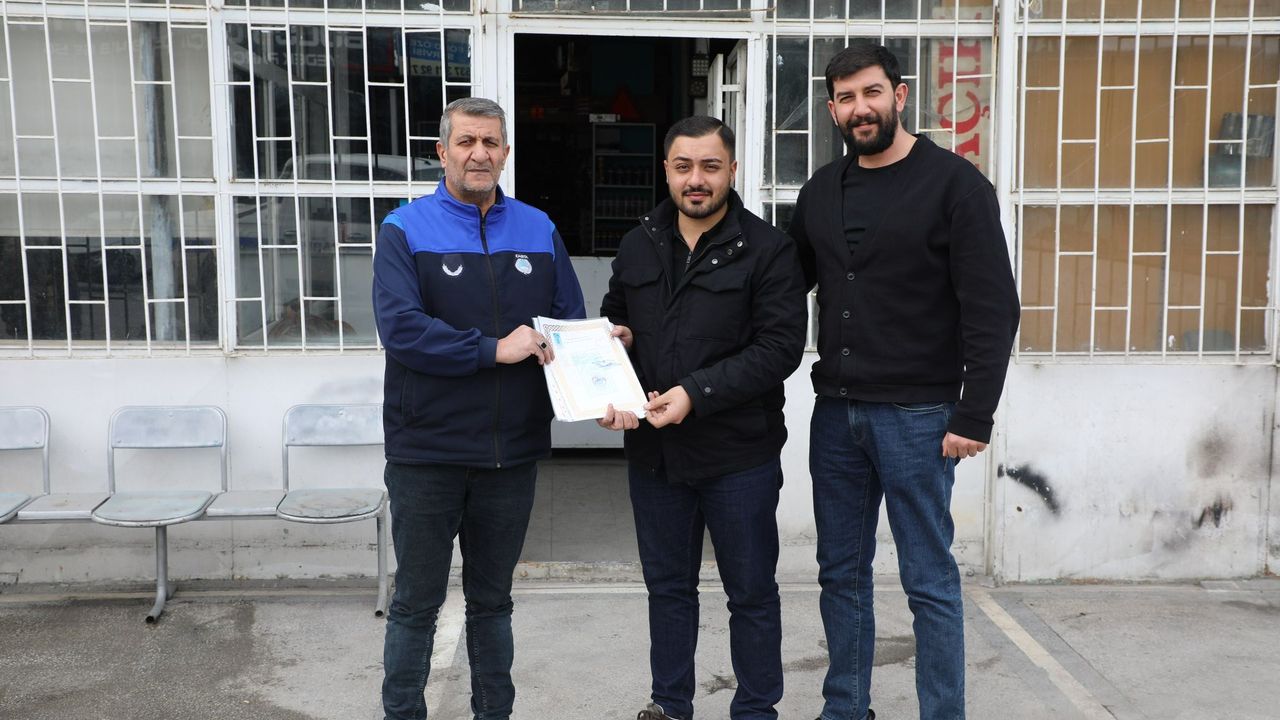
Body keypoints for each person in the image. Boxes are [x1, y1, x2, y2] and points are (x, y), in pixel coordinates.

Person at [790, 45, 1020, 720]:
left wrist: (975, 414)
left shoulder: (955, 186)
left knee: (928, 580)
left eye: (871, 93)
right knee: (840, 575)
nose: (859, 108)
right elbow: (779, 288)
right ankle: (845, 708)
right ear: (832, 109)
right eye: (846, 98)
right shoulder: (821, 191)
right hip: (836, 415)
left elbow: (993, 309)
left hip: (919, 416)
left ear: (900, 94)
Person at [372, 96, 586, 720]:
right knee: (416, 604)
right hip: (427, 453)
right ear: (442, 152)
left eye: (490, 142)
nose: (479, 154)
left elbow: (568, 324)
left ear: (505, 153)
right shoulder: (405, 229)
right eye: (466, 142)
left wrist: (601, 363)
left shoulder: (539, 229)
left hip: (509, 454)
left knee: (493, 603)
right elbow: (402, 330)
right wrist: (494, 349)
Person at [599, 116, 807, 720]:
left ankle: (756, 710)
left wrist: (696, 391)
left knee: (751, 593)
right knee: (668, 589)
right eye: (684, 166)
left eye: (711, 166)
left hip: (739, 456)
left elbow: (780, 348)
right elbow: (617, 319)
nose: (697, 179)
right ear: (666, 170)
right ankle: (670, 704)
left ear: (732, 170)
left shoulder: (769, 249)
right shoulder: (638, 243)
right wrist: (614, 362)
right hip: (656, 456)